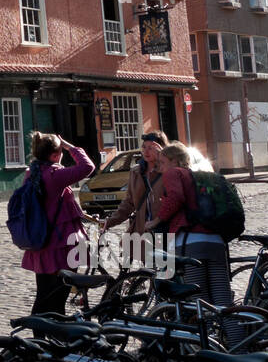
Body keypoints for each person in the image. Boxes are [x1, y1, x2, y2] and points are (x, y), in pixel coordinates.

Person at [146, 142, 234, 313]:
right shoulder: (198, 176)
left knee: (200, 302)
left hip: (191, 244)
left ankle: (207, 338)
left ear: (175, 161)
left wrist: (156, 220)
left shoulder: (174, 173)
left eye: (163, 163)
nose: (161, 168)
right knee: (224, 303)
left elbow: (176, 198)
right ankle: (236, 339)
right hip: (216, 241)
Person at [21, 132, 95, 317]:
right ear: (55, 155)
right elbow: (88, 166)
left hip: (40, 241)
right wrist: (69, 146)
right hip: (61, 244)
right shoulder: (55, 175)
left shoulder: (32, 173)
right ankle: (56, 335)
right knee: (59, 295)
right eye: (60, 151)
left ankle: (40, 334)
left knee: (44, 293)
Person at [105, 132, 168, 236]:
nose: (146, 151)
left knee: (163, 252)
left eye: (151, 148)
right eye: (144, 147)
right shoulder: (136, 172)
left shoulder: (168, 171)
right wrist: (111, 221)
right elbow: (129, 202)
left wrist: (163, 158)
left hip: (164, 229)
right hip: (141, 230)